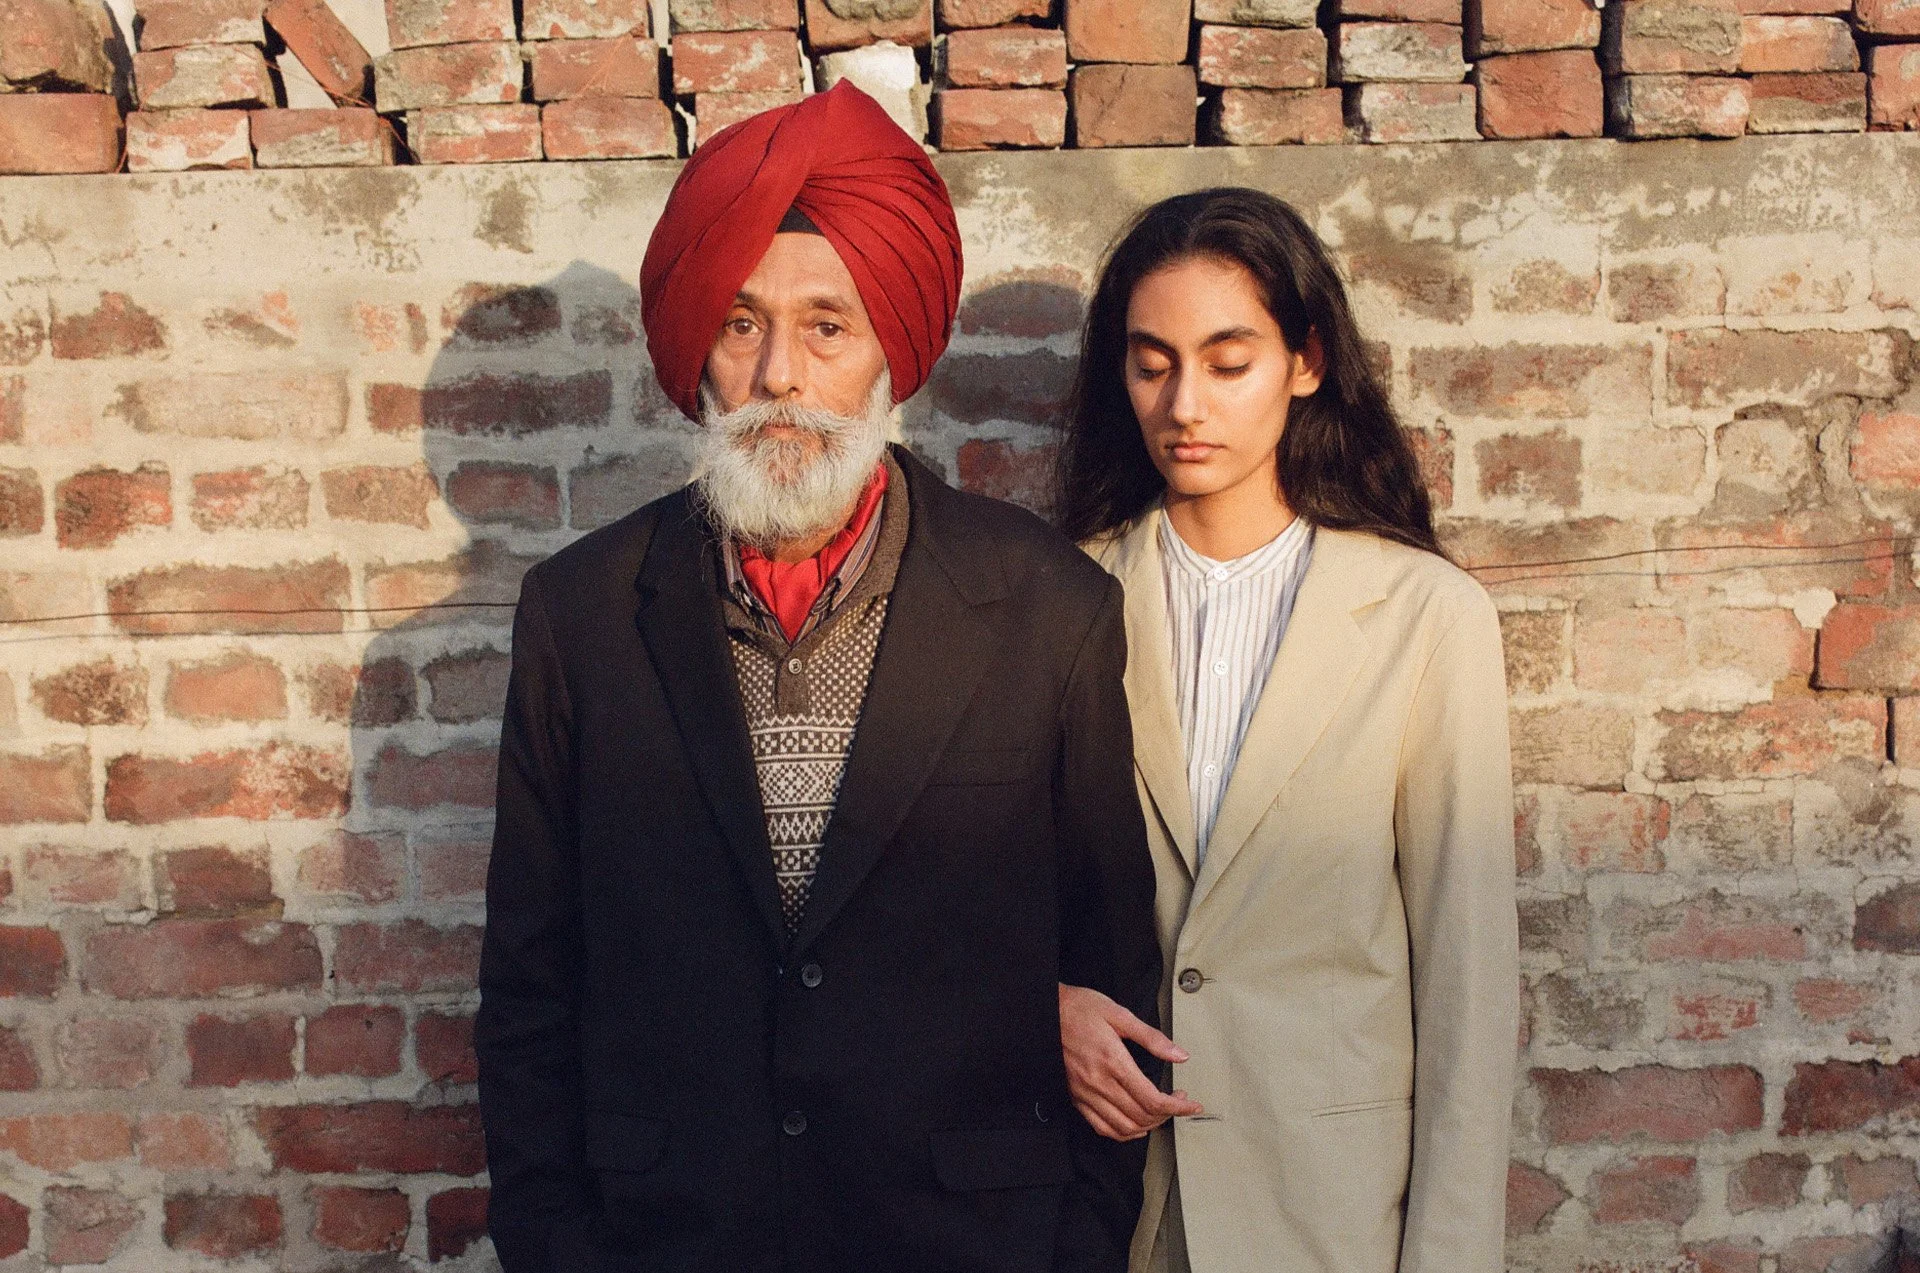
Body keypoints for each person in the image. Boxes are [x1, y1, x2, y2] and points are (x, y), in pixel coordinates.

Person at [475, 81, 1161, 1273]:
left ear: (893, 353)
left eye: (827, 328)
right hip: (670, 1239)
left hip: (968, 1243)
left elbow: (1109, 969)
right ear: (698, 352)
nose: (780, 375)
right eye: (741, 324)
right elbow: (530, 986)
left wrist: (1079, 1249)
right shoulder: (581, 615)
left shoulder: (1047, 608)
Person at [1052, 187, 1520, 1273]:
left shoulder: (1426, 618)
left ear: (1306, 361)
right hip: (1111, 1201)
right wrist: (1046, 1006)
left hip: (1331, 1215)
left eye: (1229, 362)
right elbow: (984, 895)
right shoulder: (1061, 597)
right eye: (1152, 364)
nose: (1185, 405)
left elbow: (1468, 981)